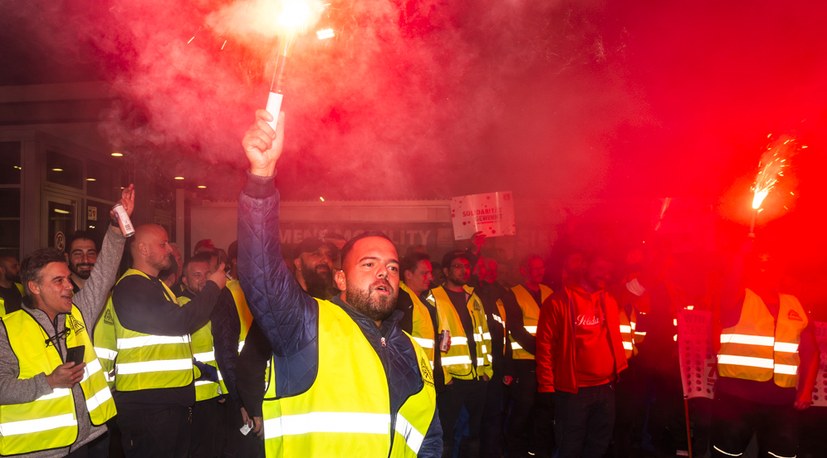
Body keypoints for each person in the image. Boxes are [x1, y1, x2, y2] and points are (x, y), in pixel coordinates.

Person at [237, 109, 441, 456]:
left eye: (392, 267)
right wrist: (261, 178)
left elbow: (428, 437)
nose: (384, 273)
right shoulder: (308, 326)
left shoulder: (412, 349)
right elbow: (262, 274)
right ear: (341, 278)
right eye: (369, 264)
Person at [0, 185, 133, 457]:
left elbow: (104, 274)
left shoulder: (77, 312)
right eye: (58, 281)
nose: (68, 286)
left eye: (67, 279)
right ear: (34, 287)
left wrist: (118, 226)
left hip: (88, 440)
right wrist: (48, 381)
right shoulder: (7, 329)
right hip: (37, 449)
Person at [109, 223, 227, 457]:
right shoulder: (132, 286)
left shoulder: (156, 285)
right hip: (149, 406)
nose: (169, 250)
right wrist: (213, 286)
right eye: (162, 244)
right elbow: (179, 322)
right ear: (142, 249)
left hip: (166, 402)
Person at [710, 245, 819, 458]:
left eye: (771, 266)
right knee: (726, 454)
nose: (766, 271)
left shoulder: (795, 304)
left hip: (782, 403)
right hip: (736, 399)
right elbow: (733, 277)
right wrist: (741, 252)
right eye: (760, 266)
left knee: (781, 455)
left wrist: (806, 390)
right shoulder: (736, 298)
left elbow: (811, 352)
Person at [535, 253, 628, 458]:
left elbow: (636, 291)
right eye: (600, 269)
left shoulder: (609, 299)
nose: (605, 274)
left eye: (608, 271)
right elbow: (544, 346)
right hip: (573, 391)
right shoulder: (558, 302)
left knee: (599, 444)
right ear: (585, 267)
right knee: (570, 445)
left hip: (606, 386)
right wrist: (547, 386)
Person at [428, 249, 493, 457]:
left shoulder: (474, 297)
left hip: (477, 377)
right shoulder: (433, 298)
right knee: (447, 432)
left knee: (473, 432)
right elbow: (429, 340)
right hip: (451, 379)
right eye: (457, 266)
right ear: (446, 271)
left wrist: (487, 370)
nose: (463, 270)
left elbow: (484, 336)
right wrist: (443, 376)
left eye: (466, 266)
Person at [177, 252, 227, 457]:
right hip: (193, 398)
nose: (203, 279)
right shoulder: (180, 306)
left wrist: (224, 387)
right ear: (184, 280)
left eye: (207, 273)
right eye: (196, 275)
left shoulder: (217, 304)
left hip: (214, 396)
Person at [504, 255, 553, 458]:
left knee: (543, 409)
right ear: (524, 270)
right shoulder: (513, 294)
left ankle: (536, 450)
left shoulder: (550, 292)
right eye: (535, 268)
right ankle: (514, 450)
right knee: (523, 409)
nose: (539, 271)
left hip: (546, 362)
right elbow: (516, 329)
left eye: (542, 267)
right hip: (523, 361)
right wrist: (542, 350)